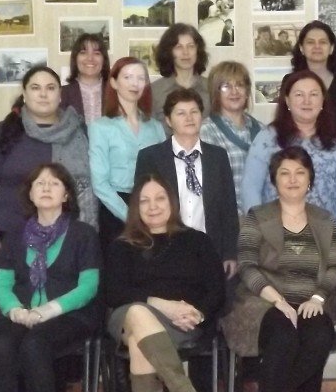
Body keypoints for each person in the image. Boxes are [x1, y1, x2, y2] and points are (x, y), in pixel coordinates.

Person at [221, 147, 336, 392]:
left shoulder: (325, 219)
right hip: (264, 302)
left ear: (310, 179)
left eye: (300, 172)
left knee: (319, 335)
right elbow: (247, 266)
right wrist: (278, 300)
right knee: (284, 336)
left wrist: (318, 298)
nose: (292, 179)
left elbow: (334, 266)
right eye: (284, 173)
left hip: (311, 301)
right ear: (274, 180)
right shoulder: (257, 216)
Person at [0, 163, 102, 392]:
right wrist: (14, 310)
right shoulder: (14, 235)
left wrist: (47, 311)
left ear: (66, 195)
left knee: (35, 343)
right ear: (30, 194)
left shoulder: (83, 234)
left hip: (70, 315)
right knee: (1, 343)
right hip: (21, 313)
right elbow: (1, 283)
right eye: (40, 183)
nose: (46, 188)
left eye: (54, 183)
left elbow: (88, 287)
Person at [101, 174, 224, 392]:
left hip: (184, 322)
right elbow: (113, 292)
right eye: (144, 201)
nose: (153, 206)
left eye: (160, 198)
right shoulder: (121, 246)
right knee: (138, 312)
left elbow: (217, 289)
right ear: (136, 207)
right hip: (127, 317)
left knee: (140, 345)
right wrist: (163, 305)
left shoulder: (198, 241)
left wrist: (198, 314)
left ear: (172, 202)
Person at [0, 66, 97, 263]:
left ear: (60, 95)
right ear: (24, 94)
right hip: (9, 236)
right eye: (35, 88)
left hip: (67, 239)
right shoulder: (4, 131)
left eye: (50, 88)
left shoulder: (80, 132)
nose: (43, 94)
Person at [240, 71, 336, 265]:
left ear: (323, 101)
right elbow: (250, 188)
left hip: (327, 241)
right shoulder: (268, 138)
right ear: (287, 100)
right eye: (299, 94)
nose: (307, 101)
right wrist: (261, 232)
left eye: (314, 94)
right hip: (276, 242)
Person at [135, 88, 240, 284]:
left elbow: (228, 208)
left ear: (202, 116)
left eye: (194, 112)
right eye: (181, 113)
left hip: (210, 249)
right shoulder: (150, 157)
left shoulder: (217, 157)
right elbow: (141, 208)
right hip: (165, 250)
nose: (189, 118)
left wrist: (230, 253)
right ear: (168, 120)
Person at [90, 57, 167, 250]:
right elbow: (100, 183)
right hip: (115, 209)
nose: (135, 83)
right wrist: (131, 217)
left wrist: (152, 210)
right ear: (114, 82)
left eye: (141, 78)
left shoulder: (155, 127)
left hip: (152, 206)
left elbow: (164, 174)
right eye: (128, 77)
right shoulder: (100, 127)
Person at [199, 61, 266, 209]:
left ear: (247, 91)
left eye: (240, 85)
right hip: (229, 215)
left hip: (263, 215)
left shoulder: (262, 130)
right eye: (226, 86)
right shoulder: (207, 131)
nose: (234, 91)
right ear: (216, 92)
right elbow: (211, 186)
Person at [288, 21, 336, 145]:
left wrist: (326, 150)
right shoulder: (290, 81)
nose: (317, 46)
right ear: (301, 48)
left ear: (331, 48)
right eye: (310, 42)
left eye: (323, 42)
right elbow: (285, 121)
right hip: (297, 151)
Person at [150, 23, 211, 123]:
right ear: (169, 52)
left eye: (191, 46)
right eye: (178, 47)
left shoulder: (211, 88)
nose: (185, 52)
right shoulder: (155, 91)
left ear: (198, 50)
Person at [62, 33, 110, 125]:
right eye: (83, 53)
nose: (90, 58)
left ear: (104, 60)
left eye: (96, 53)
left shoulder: (116, 93)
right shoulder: (61, 94)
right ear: (75, 59)